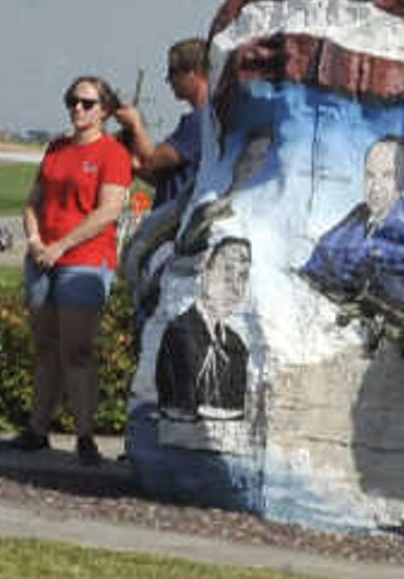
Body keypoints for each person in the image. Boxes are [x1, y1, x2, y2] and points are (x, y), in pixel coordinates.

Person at [16, 73, 134, 463]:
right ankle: (37, 430)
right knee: (46, 347)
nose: (77, 109)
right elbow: (33, 201)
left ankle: (85, 437)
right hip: (42, 259)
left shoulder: (112, 154)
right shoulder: (56, 148)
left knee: (77, 350)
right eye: (73, 101)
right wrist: (35, 241)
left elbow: (109, 210)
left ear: (104, 111)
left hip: (84, 261)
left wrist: (62, 245)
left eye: (87, 103)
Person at [113, 37, 214, 296]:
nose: (168, 80)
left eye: (173, 72)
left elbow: (152, 159)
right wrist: (132, 165)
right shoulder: (211, 121)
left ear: (194, 73)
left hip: (174, 238)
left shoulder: (199, 122)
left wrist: (136, 125)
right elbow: (165, 179)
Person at [305, 133, 404, 314]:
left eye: (387, 175)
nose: (375, 186)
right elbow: (317, 262)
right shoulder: (357, 216)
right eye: (369, 175)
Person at [154, 232, 256, 418]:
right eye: (227, 270)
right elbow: (177, 407)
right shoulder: (177, 334)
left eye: (243, 276)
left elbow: (235, 410)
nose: (235, 286)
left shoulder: (238, 347)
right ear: (206, 272)